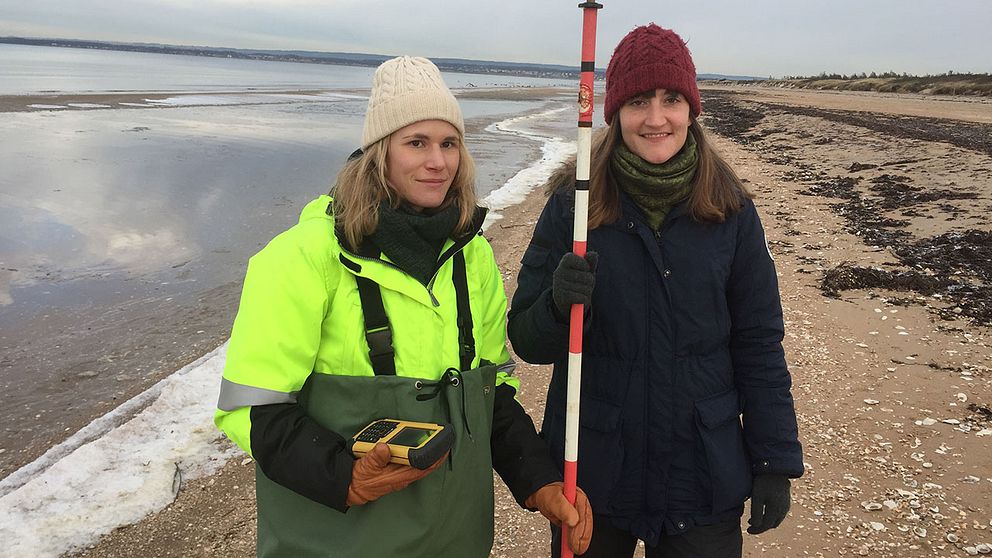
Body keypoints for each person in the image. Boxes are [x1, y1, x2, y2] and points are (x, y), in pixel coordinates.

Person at [214, 56, 592, 557]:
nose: (438, 162)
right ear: (378, 154)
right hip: (337, 539)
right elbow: (251, 408)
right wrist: (343, 476)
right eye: (416, 143)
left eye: (449, 143)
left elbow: (490, 394)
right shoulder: (300, 258)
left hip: (456, 536)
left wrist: (538, 481)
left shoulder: (471, 256)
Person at [507, 24, 804, 558]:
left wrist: (773, 461)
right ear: (615, 113)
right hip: (594, 465)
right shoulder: (573, 206)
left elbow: (759, 341)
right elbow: (527, 342)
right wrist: (556, 304)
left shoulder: (730, 210)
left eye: (671, 99)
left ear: (692, 108)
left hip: (702, 468)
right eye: (638, 101)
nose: (655, 118)